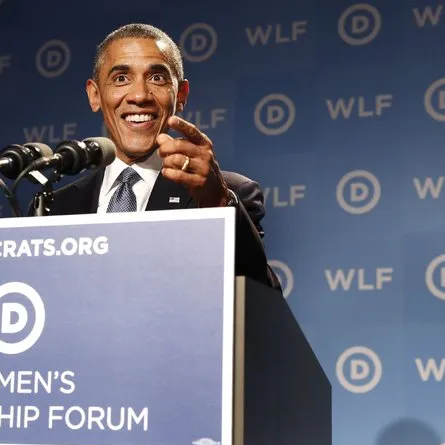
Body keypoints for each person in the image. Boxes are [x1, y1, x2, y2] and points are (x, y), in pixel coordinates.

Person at [40, 23, 280, 290]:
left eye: (157, 78)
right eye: (121, 78)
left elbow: (261, 298)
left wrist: (218, 203)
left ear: (181, 95)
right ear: (95, 95)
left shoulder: (228, 194)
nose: (140, 95)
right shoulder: (55, 209)